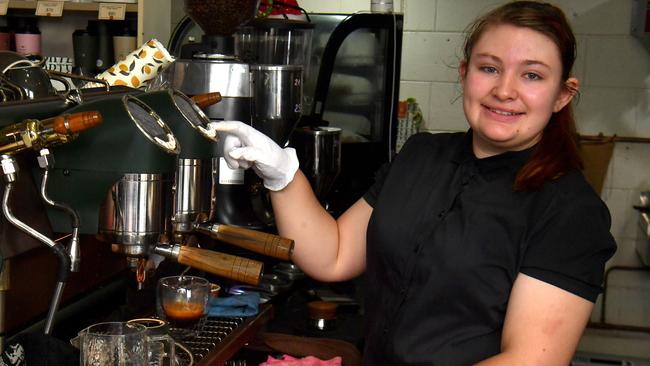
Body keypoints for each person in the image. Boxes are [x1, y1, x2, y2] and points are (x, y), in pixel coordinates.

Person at [211, 1, 617, 364]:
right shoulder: (422, 155)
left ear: (563, 95)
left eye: (532, 76)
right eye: (489, 68)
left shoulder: (569, 211)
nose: (504, 90)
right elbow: (332, 255)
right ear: (465, 74)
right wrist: (283, 176)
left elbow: (530, 359)